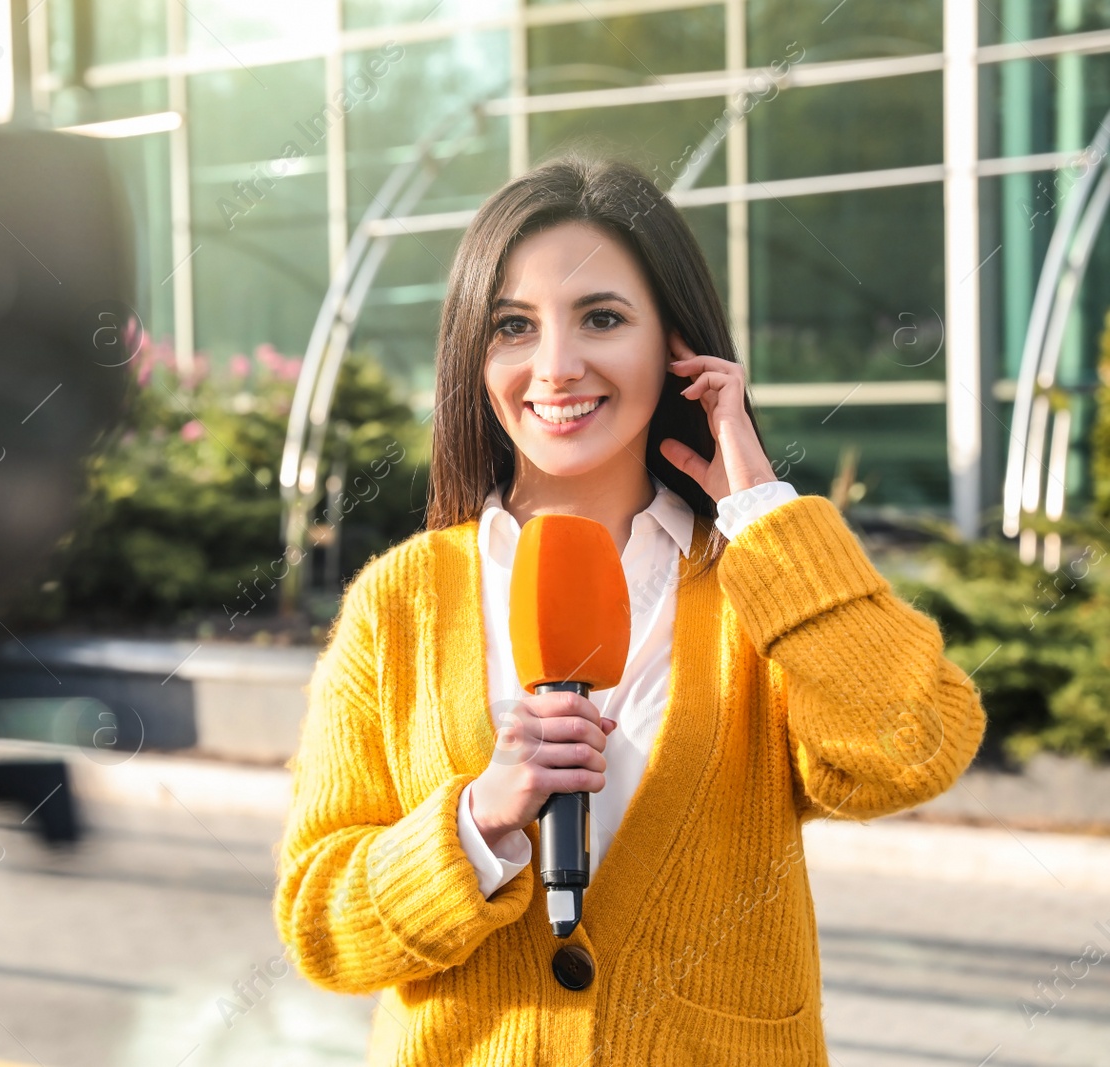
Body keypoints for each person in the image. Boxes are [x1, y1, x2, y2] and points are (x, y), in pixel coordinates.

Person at [271, 152, 986, 1065]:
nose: (557, 367)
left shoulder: (758, 577)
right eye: (514, 327)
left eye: (601, 318)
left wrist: (761, 508)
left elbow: (909, 748)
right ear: (473, 357)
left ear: (677, 345)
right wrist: (479, 819)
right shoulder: (399, 602)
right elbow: (322, 930)